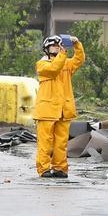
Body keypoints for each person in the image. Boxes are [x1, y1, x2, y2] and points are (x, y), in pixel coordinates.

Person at [35, 34, 84, 178]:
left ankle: (60, 168)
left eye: (58, 45)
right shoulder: (42, 65)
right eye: (53, 45)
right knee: (45, 142)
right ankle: (43, 169)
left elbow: (79, 59)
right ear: (46, 48)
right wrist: (62, 54)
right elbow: (54, 68)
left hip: (64, 110)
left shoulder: (66, 63)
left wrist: (77, 44)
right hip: (47, 111)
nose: (57, 47)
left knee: (61, 143)